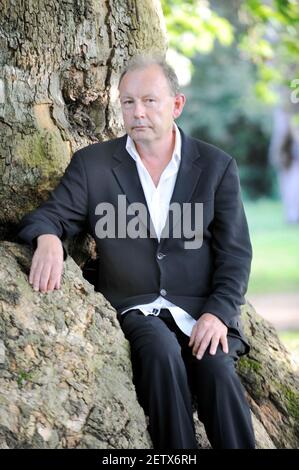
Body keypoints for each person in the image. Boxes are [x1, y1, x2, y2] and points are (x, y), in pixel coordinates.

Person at [17, 54, 255, 449]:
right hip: (134, 307)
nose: (137, 112)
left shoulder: (216, 167)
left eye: (149, 100)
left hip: (202, 310)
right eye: (128, 102)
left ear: (176, 105)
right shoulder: (93, 165)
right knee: (160, 354)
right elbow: (48, 217)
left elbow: (235, 255)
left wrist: (218, 313)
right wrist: (47, 239)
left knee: (216, 368)